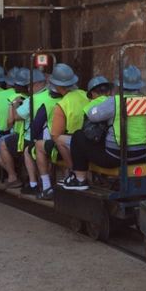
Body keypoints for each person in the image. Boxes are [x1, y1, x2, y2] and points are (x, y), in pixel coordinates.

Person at [62, 65, 146, 190]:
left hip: (116, 156)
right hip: (142, 154)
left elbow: (93, 116)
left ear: (119, 85)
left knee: (78, 136)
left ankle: (80, 179)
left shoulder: (115, 101)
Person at [34, 63, 81, 200]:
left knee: (39, 145)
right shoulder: (84, 95)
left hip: (71, 144)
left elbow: (55, 135)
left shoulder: (62, 104)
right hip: (88, 141)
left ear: (58, 86)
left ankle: (48, 187)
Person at [0, 68, 49, 194]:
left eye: (29, 85)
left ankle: (15, 177)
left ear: (36, 84)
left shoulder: (31, 100)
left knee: (4, 144)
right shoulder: (50, 95)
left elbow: (15, 118)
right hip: (50, 135)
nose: (27, 88)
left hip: (31, 137)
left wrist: (13, 105)